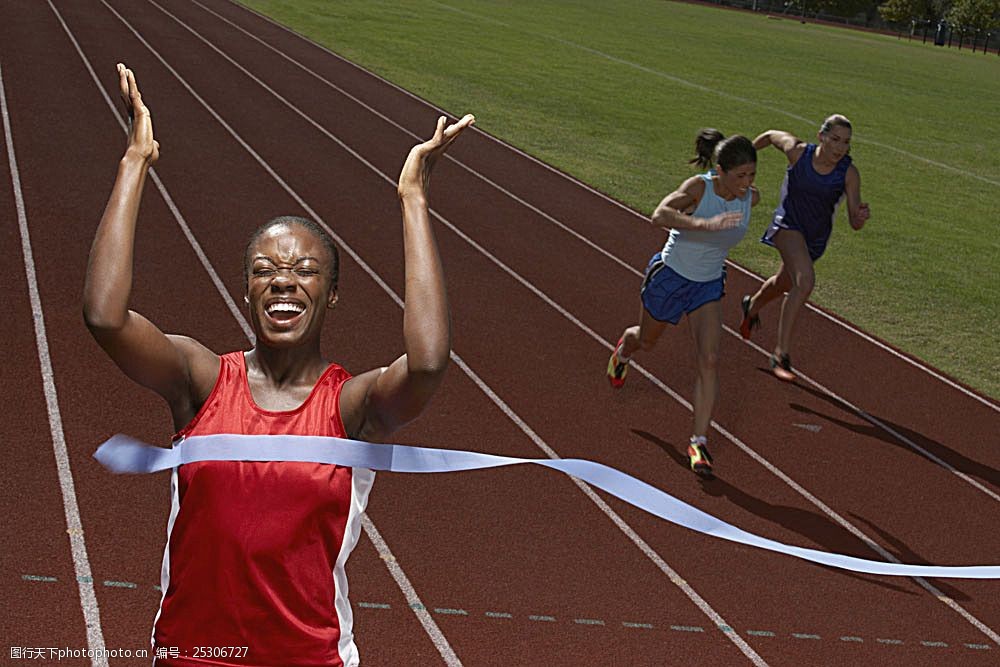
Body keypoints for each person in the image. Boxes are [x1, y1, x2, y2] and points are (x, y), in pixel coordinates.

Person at [83, 64, 473, 667]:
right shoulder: (201, 381)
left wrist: (413, 199)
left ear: (333, 292)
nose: (283, 279)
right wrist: (135, 161)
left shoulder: (350, 409)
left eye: (305, 269)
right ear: (246, 289)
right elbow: (106, 319)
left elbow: (426, 364)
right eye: (264, 268)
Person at [607, 130, 759, 477]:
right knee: (647, 340)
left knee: (709, 358)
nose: (747, 183)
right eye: (740, 176)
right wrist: (704, 224)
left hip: (706, 286)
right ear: (719, 171)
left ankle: (699, 441)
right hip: (671, 278)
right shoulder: (698, 188)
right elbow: (660, 214)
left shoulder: (751, 197)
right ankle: (624, 350)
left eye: (752, 175)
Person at [738, 115, 870, 381]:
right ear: (821, 136)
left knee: (784, 283)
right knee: (805, 281)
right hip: (787, 225)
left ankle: (752, 306)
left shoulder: (848, 173)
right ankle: (781, 353)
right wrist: (744, 171)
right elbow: (769, 134)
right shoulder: (798, 152)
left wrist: (859, 218)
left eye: (846, 142)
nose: (840, 147)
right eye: (835, 139)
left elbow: (854, 221)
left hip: (816, 239)